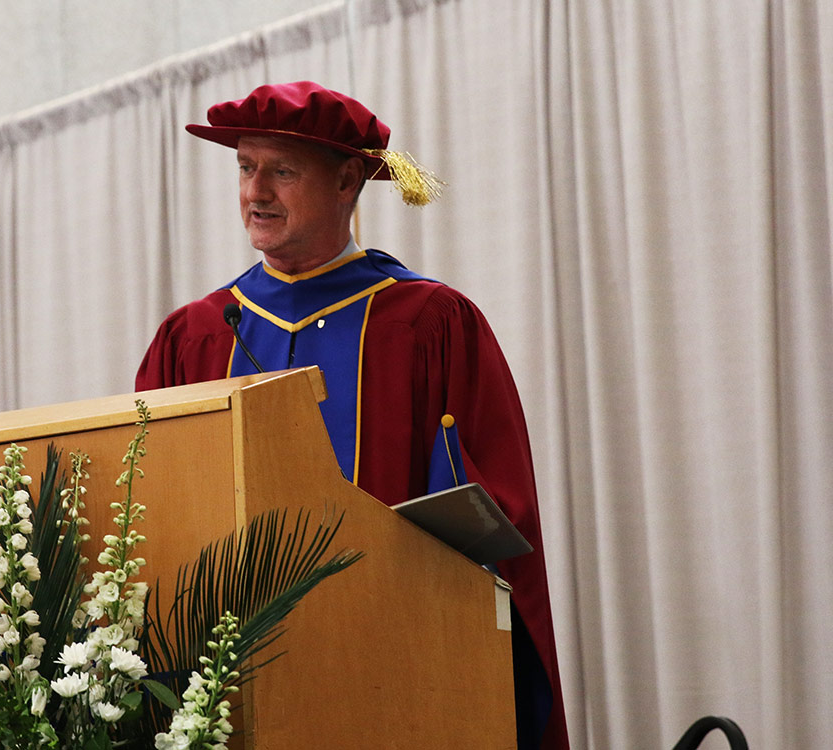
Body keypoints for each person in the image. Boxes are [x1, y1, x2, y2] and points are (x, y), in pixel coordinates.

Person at [135, 80, 569, 750]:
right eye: (246, 168)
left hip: (397, 669)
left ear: (345, 181)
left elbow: (493, 507)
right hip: (233, 686)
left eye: (282, 171)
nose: (255, 193)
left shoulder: (425, 322)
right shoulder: (195, 335)